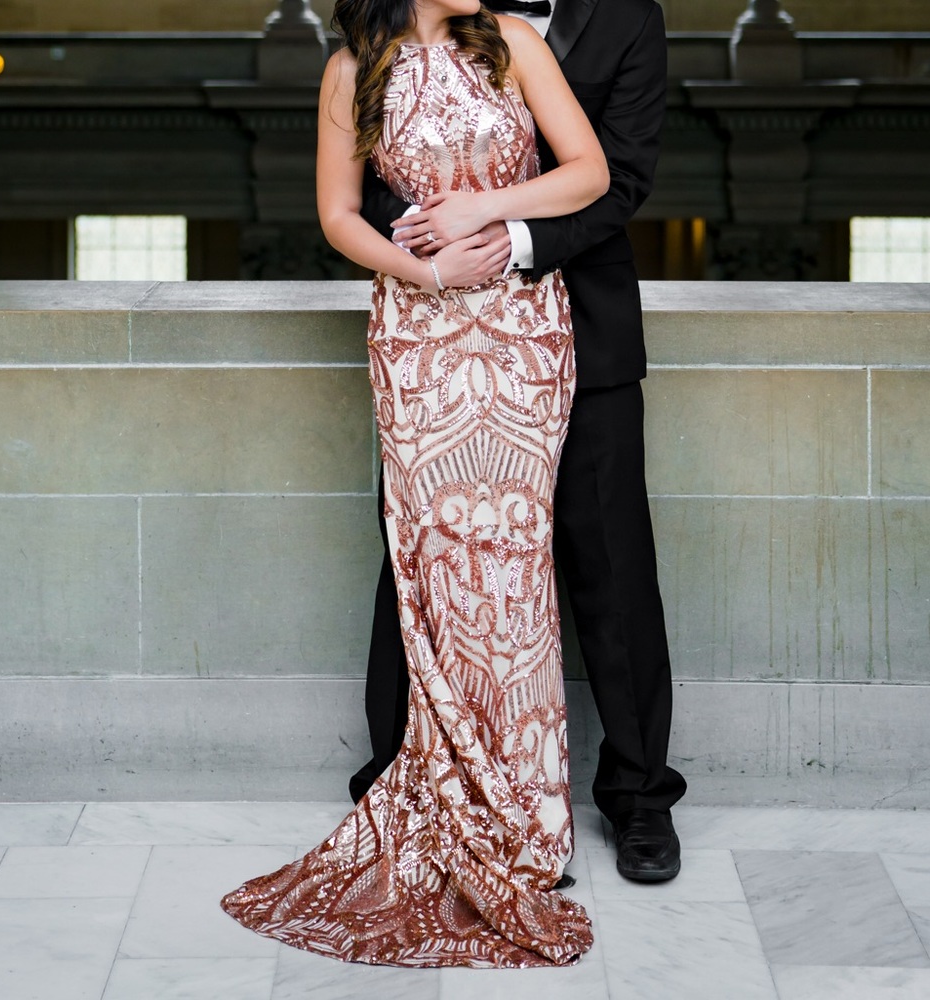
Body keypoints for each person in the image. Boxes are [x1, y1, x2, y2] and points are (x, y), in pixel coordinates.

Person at [221, 0, 608, 968]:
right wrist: (420, 274)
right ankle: (449, 799)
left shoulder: (514, 44)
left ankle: (527, 829)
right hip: (418, 335)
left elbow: (590, 173)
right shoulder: (354, 67)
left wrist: (487, 207)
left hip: (523, 335)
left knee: (514, 575)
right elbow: (337, 214)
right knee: (435, 570)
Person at [350, 0, 688, 883]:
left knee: (609, 560)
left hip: (587, 324)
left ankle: (640, 795)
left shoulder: (626, 19)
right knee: (424, 555)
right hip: (438, 335)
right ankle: (405, 774)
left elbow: (621, 177)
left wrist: (510, 238)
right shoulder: (410, 34)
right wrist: (426, 251)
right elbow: (379, 175)